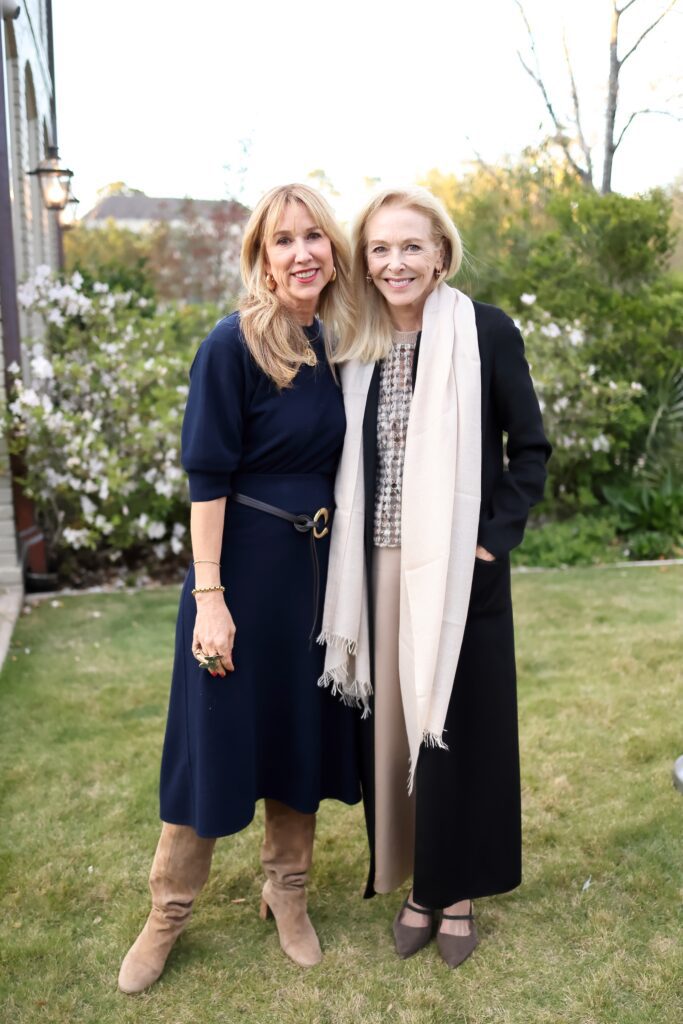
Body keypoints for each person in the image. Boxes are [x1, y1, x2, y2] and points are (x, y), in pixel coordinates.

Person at [118, 184, 361, 994]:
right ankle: (166, 914)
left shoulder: (338, 342)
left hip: (314, 580)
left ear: (333, 250)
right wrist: (211, 596)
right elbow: (206, 476)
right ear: (261, 256)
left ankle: (287, 894)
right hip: (238, 579)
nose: (302, 253)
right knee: (212, 739)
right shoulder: (232, 344)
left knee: (299, 734)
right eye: (283, 240)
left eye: (314, 238)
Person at [319, 187, 551, 969]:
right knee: (392, 734)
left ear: (441, 254)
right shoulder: (353, 338)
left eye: (411, 247)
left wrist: (492, 543)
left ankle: (452, 893)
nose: (394, 263)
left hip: (457, 570)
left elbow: (531, 449)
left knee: (455, 732)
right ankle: (412, 881)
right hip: (374, 569)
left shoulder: (484, 331)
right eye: (379, 250)